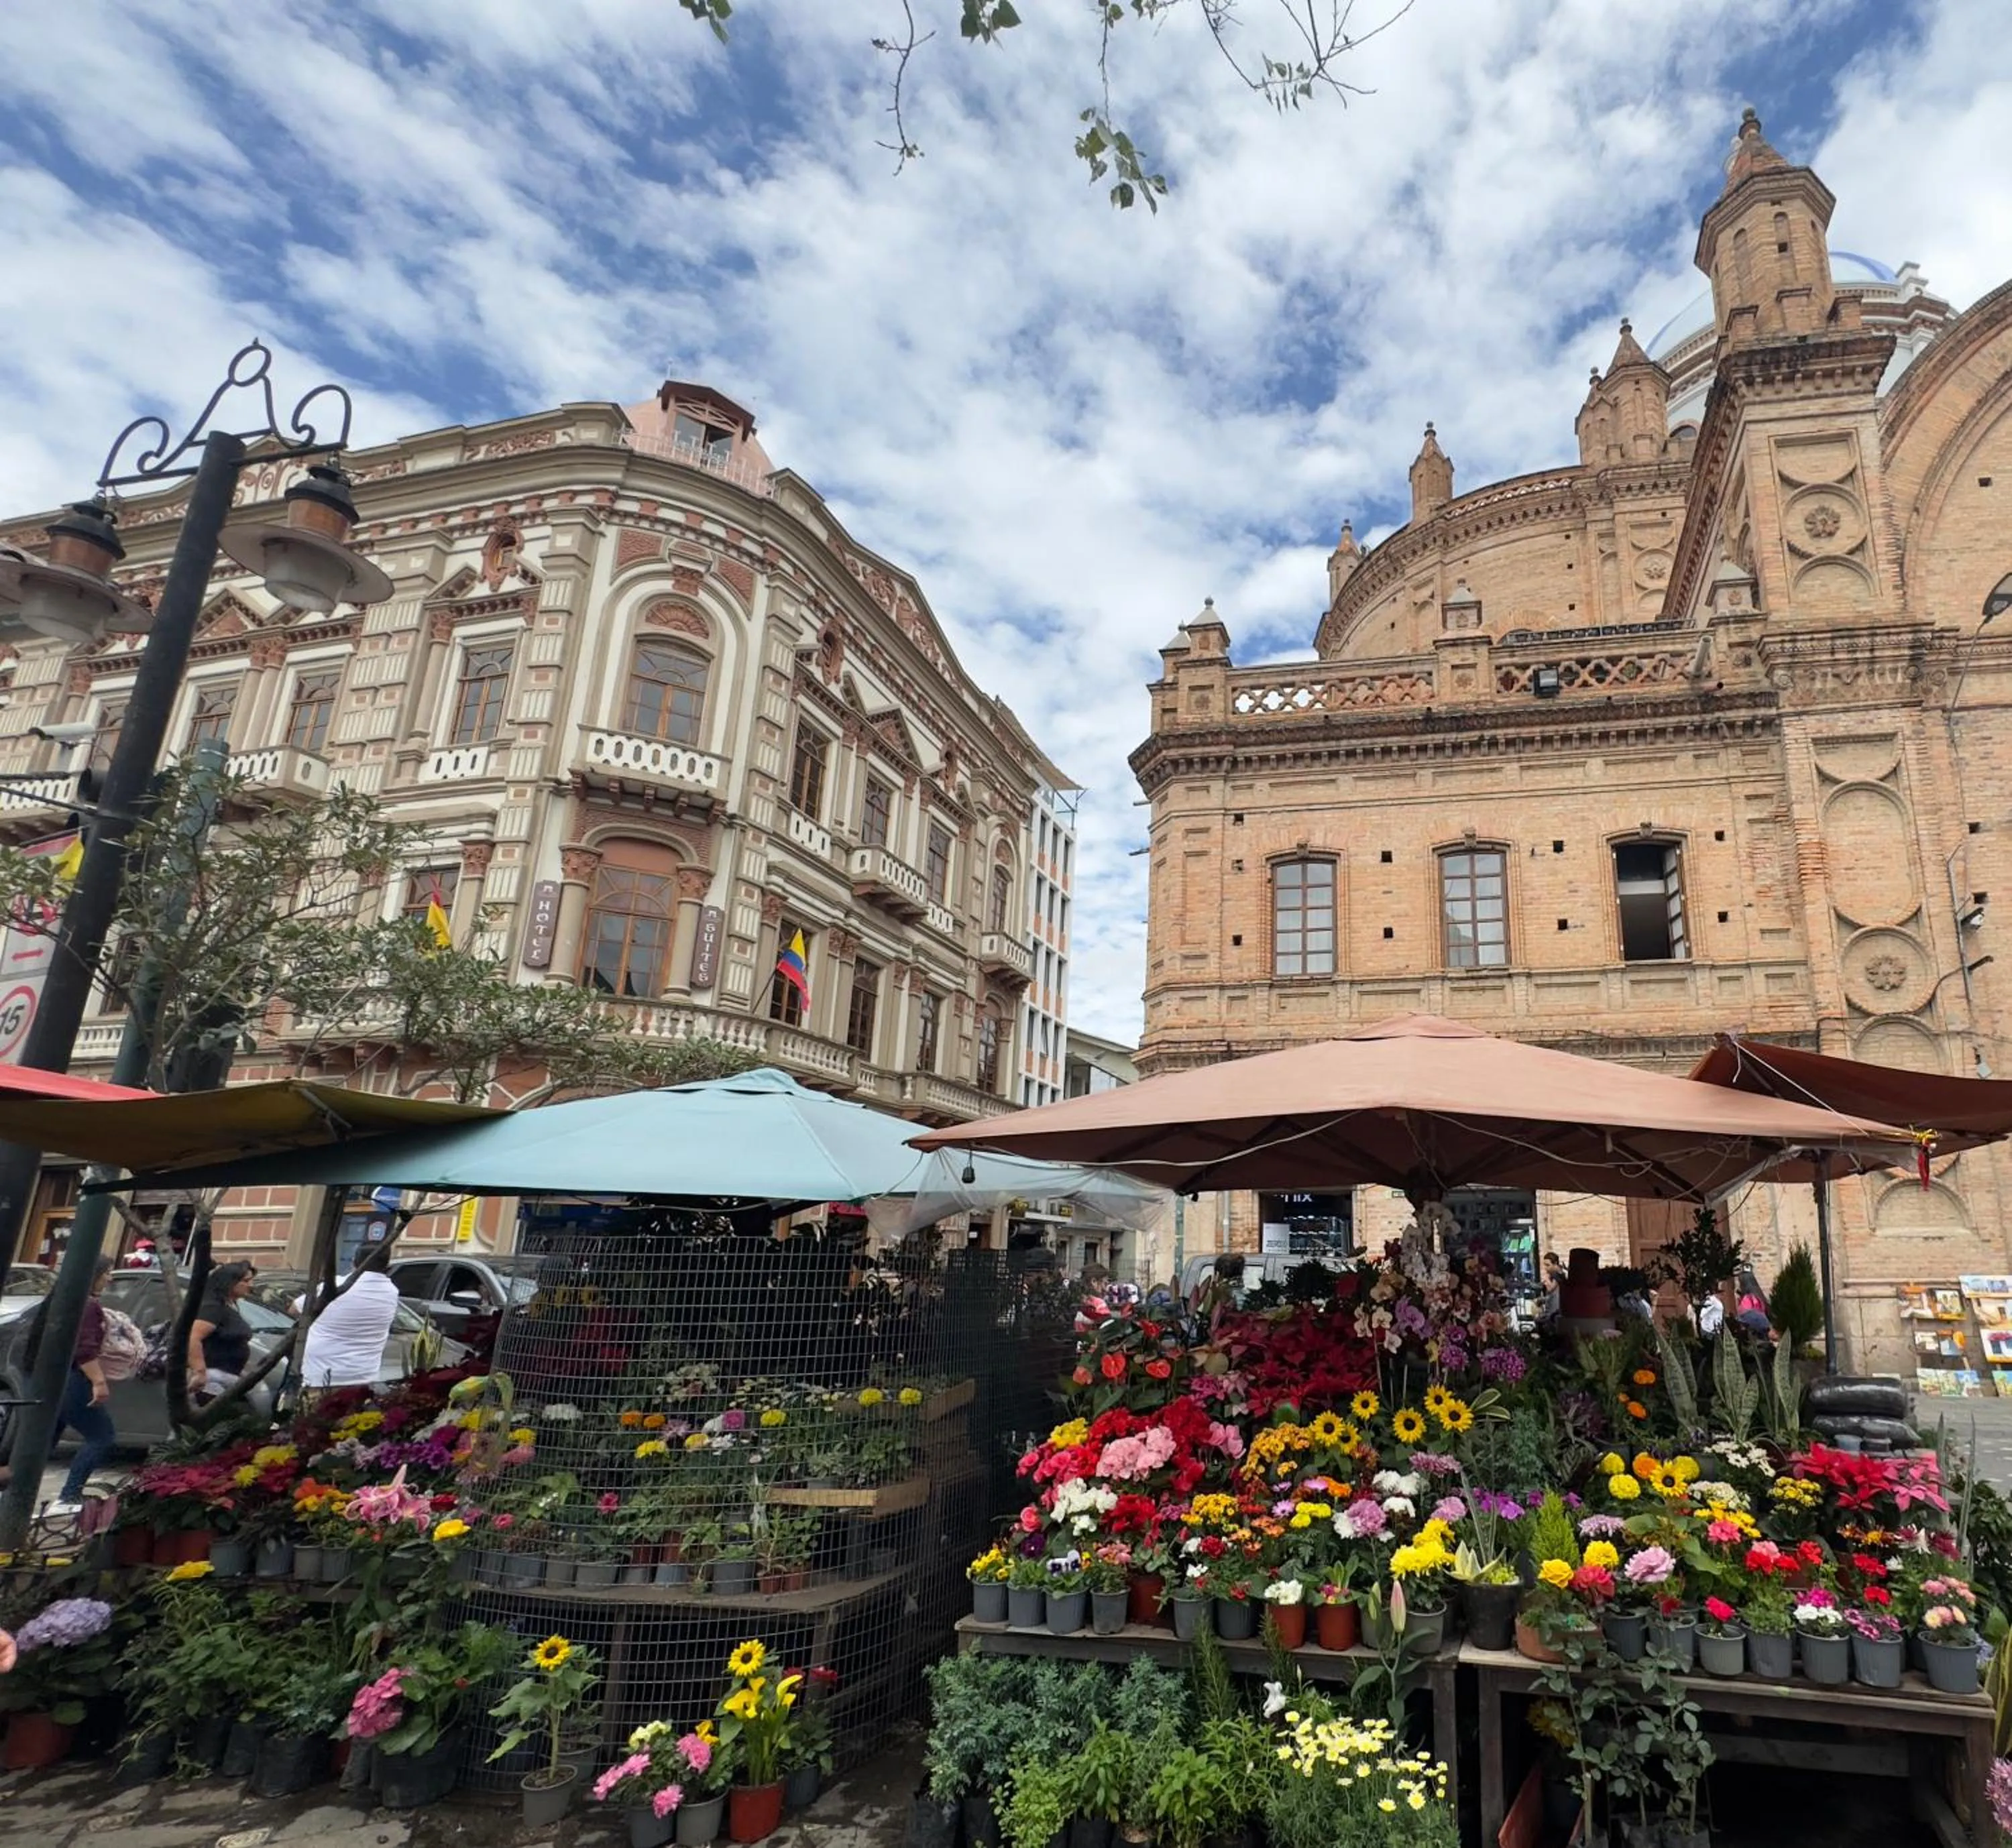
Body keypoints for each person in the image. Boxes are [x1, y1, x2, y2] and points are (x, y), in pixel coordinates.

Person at [45, 1255, 119, 1511]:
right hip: (75, 1379)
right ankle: (69, 1495)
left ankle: (12, 1489)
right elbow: (84, 1350)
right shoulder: (88, 1306)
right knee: (102, 1435)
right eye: (107, 1273)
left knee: (45, 1440)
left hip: (55, 1378)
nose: (110, 1278)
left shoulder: (66, 1300)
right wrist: (99, 1381)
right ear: (94, 1275)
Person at [292, 1242, 400, 1389]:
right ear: (386, 1265)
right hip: (363, 1377)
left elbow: (294, 1309)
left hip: (319, 1375)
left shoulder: (336, 1285)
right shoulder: (392, 1292)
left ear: (354, 1262)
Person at [189, 1261, 258, 1399]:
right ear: (229, 1282)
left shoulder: (230, 1305)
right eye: (246, 1281)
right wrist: (200, 1372)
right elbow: (193, 1338)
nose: (251, 1285)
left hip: (226, 1378)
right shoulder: (213, 1308)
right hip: (211, 1380)